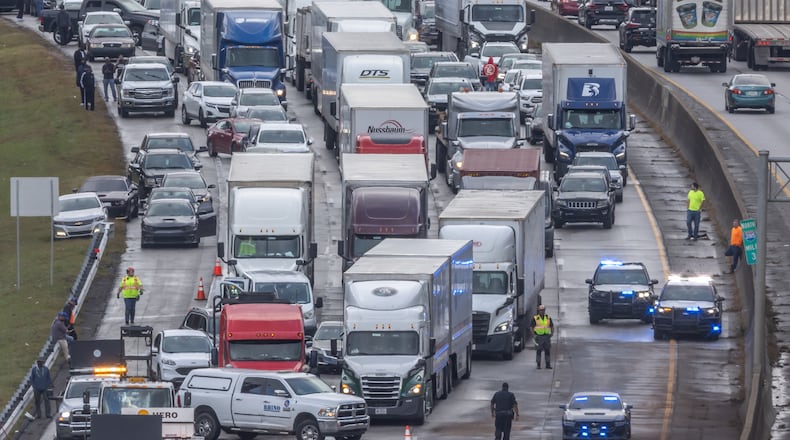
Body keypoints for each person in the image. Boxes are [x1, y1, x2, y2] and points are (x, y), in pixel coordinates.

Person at [529, 304, 554, 369]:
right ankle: (538, 364)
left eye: (543, 310)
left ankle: (548, 364)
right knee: (539, 351)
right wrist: (534, 335)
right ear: (538, 311)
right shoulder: (535, 318)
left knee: (547, 351)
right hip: (539, 337)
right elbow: (531, 327)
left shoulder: (548, 318)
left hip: (546, 336)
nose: (542, 311)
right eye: (540, 310)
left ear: (545, 310)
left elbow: (552, 326)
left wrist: (552, 333)